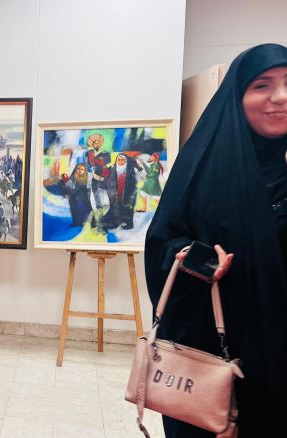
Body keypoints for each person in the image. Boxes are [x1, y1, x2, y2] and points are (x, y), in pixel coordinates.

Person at [144, 43, 287, 437]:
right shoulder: (203, 166)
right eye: (262, 85)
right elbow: (164, 242)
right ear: (237, 96)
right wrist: (198, 259)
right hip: (215, 350)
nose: (279, 97)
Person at [102, 153, 141, 230]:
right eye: (119, 160)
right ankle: (115, 222)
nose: (120, 162)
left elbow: (135, 183)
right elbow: (109, 182)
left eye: (122, 160)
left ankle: (128, 223)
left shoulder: (131, 171)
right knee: (115, 207)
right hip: (116, 193)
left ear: (126, 161)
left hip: (127, 194)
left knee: (127, 208)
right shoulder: (113, 170)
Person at [84, 133, 111, 209]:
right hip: (92, 174)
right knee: (94, 190)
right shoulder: (89, 153)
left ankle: (105, 206)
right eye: (96, 143)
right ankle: (97, 206)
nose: (97, 145)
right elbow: (87, 164)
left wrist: (102, 175)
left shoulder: (106, 153)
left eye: (99, 143)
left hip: (103, 175)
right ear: (92, 144)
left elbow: (108, 165)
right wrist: (92, 172)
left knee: (103, 191)